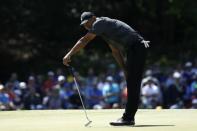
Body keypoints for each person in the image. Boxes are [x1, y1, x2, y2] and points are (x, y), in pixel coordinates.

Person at [63, 11, 149, 126]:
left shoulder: (100, 22)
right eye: (84, 25)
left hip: (137, 47)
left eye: (87, 23)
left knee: (133, 83)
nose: (86, 26)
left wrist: (69, 54)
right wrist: (124, 69)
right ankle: (129, 117)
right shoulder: (106, 32)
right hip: (134, 49)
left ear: (93, 18)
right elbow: (115, 51)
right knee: (131, 81)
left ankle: (128, 118)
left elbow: (84, 40)